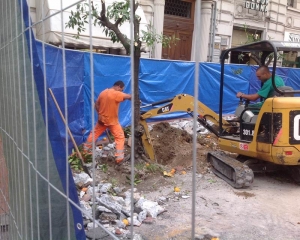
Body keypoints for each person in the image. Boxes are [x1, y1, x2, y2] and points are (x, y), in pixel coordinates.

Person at [83, 80, 131, 164]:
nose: (121, 91)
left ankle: (85, 152)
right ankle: (119, 158)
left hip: (102, 120)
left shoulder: (103, 92)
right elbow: (128, 96)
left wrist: (100, 113)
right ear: (118, 86)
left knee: (94, 134)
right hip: (112, 121)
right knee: (119, 137)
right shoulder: (116, 93)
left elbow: (96, 105)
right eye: (122, 89)